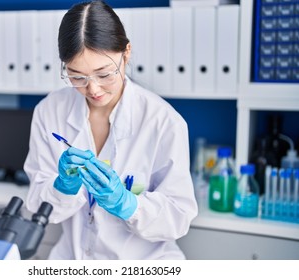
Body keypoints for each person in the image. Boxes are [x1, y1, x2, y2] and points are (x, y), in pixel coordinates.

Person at [24, 0, 198, 260]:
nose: (93, 89)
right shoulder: (49, 112)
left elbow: (178, 217)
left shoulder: (163, 122)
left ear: (126, 54)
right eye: (77, 76)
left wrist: (128, 204)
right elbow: (38, 205)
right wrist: (62, 188)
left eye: (104, 74)